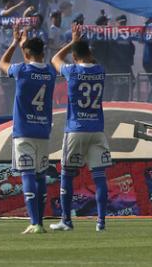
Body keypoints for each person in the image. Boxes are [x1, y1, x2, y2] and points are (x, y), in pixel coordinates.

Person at [50, 24, 110, 232]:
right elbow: (92, 61)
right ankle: (101, 222)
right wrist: (81, 47)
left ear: (74, 57)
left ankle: (66, 221)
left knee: (67, 174)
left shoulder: (72, 71)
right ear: (91, 55)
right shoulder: (101, 71)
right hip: (97, 130)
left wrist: (72, 42)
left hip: (76, 129)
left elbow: (55, 59)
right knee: (99, 177)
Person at [0, 28, 55, 234]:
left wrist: (14, 43)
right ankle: (39, 222)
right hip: (43, 132)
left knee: (27, 175)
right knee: (40, 177)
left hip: (23, 132)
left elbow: (2, 63)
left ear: (26, 53)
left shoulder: (21, 70)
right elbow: (36, 58)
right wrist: (25, 45)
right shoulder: (50, 72)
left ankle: (34, 223)